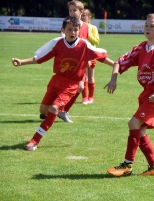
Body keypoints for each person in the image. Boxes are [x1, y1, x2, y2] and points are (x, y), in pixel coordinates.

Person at [12, 16, 114, 151]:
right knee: (43, 110)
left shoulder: (84, 45)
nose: (73, 32)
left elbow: (101, 57)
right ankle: (60, 112)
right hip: (56, 81)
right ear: (63, 30)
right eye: (70, 30)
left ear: (79, 30)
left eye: (75, 30)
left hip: (71, 84)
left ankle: (34, 140)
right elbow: (40, 58)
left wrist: (116, 65)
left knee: (53, 109)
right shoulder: (58, 44)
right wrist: (21, 62)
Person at [104, 13, 154, 176]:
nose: (148, 28)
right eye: (146, 25)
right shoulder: (141, 48)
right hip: (146, 95)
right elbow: (119, 62)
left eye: (152, 26)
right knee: (140, 131)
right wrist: (113, 78)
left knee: (133, 124)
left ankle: (127, 166)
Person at [39, 0, 89, 123]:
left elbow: (88, 43)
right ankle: (59, 108)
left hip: (81, 63)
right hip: (68, 62)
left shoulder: (86, 27)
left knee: (80, 88)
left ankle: (63, 110)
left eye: (74, 10)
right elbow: (65, 43)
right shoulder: (67, 24)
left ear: (81, 12)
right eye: (70, 10)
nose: (72, 13)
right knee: (76, 87)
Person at [81, 9, 100, 105]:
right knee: (84, 77)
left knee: (91, 76)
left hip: (91, 54)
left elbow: (96, 41)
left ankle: (91, 97)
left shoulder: (93, 28)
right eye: (82, 15)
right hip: (81, 55)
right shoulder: (78, 26)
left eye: (85, 15)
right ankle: (84, 98)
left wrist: (88, 33)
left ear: (89, 17)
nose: (83, 17)